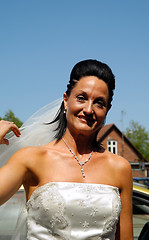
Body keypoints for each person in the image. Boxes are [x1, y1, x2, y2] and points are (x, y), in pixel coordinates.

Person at [0, 59, 133, 240]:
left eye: (99, 103)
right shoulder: (30, 159)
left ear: (107, 110)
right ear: (65, 100)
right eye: (81, 98)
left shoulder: (120, 168)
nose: (88, 109)